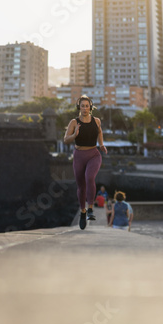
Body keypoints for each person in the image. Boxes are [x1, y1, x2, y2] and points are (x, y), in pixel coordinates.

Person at [64, 95, 107, 230]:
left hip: (94, 154)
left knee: (90, 177)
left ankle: (90, 208)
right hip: (79, 156)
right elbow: (66, 140)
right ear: (79, 107)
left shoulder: (97, 121)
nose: (84, 108)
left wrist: (101, 145)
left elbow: (100, 132)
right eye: (82, 106)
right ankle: (83, 212)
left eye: (87, 106)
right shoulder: (74, 122)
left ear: (90, 107)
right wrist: (75, 135)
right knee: (81, 186)